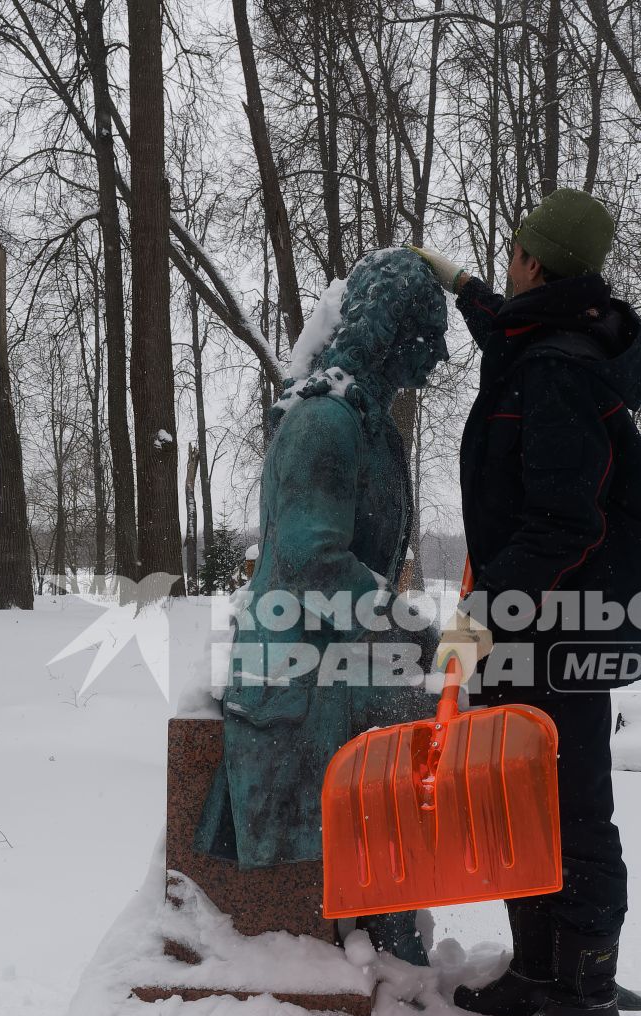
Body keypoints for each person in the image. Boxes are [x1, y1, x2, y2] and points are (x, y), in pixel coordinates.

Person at [410, 188, 641, 1016]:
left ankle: (586, 991)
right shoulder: (544, 337)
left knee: (571, 804)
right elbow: (507, 326)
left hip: (566, 623)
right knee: (524, 797)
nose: (506, 260)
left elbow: (566, 520)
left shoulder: (559, 368)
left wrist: (486, 613)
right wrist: (460, 285)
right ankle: (537, 966)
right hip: (538, 617)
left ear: (535, 260)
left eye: (513, 250)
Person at [194, 248, 447, 965]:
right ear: (391, 334)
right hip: (291, 675)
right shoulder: (326, 423)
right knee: (422, 727)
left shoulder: (369, 424)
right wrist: (405, 622)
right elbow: (312, 566)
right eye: (426, 342)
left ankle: (392, 927)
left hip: (331, 654)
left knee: (444, 714)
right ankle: (386, 937)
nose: (433, 365)